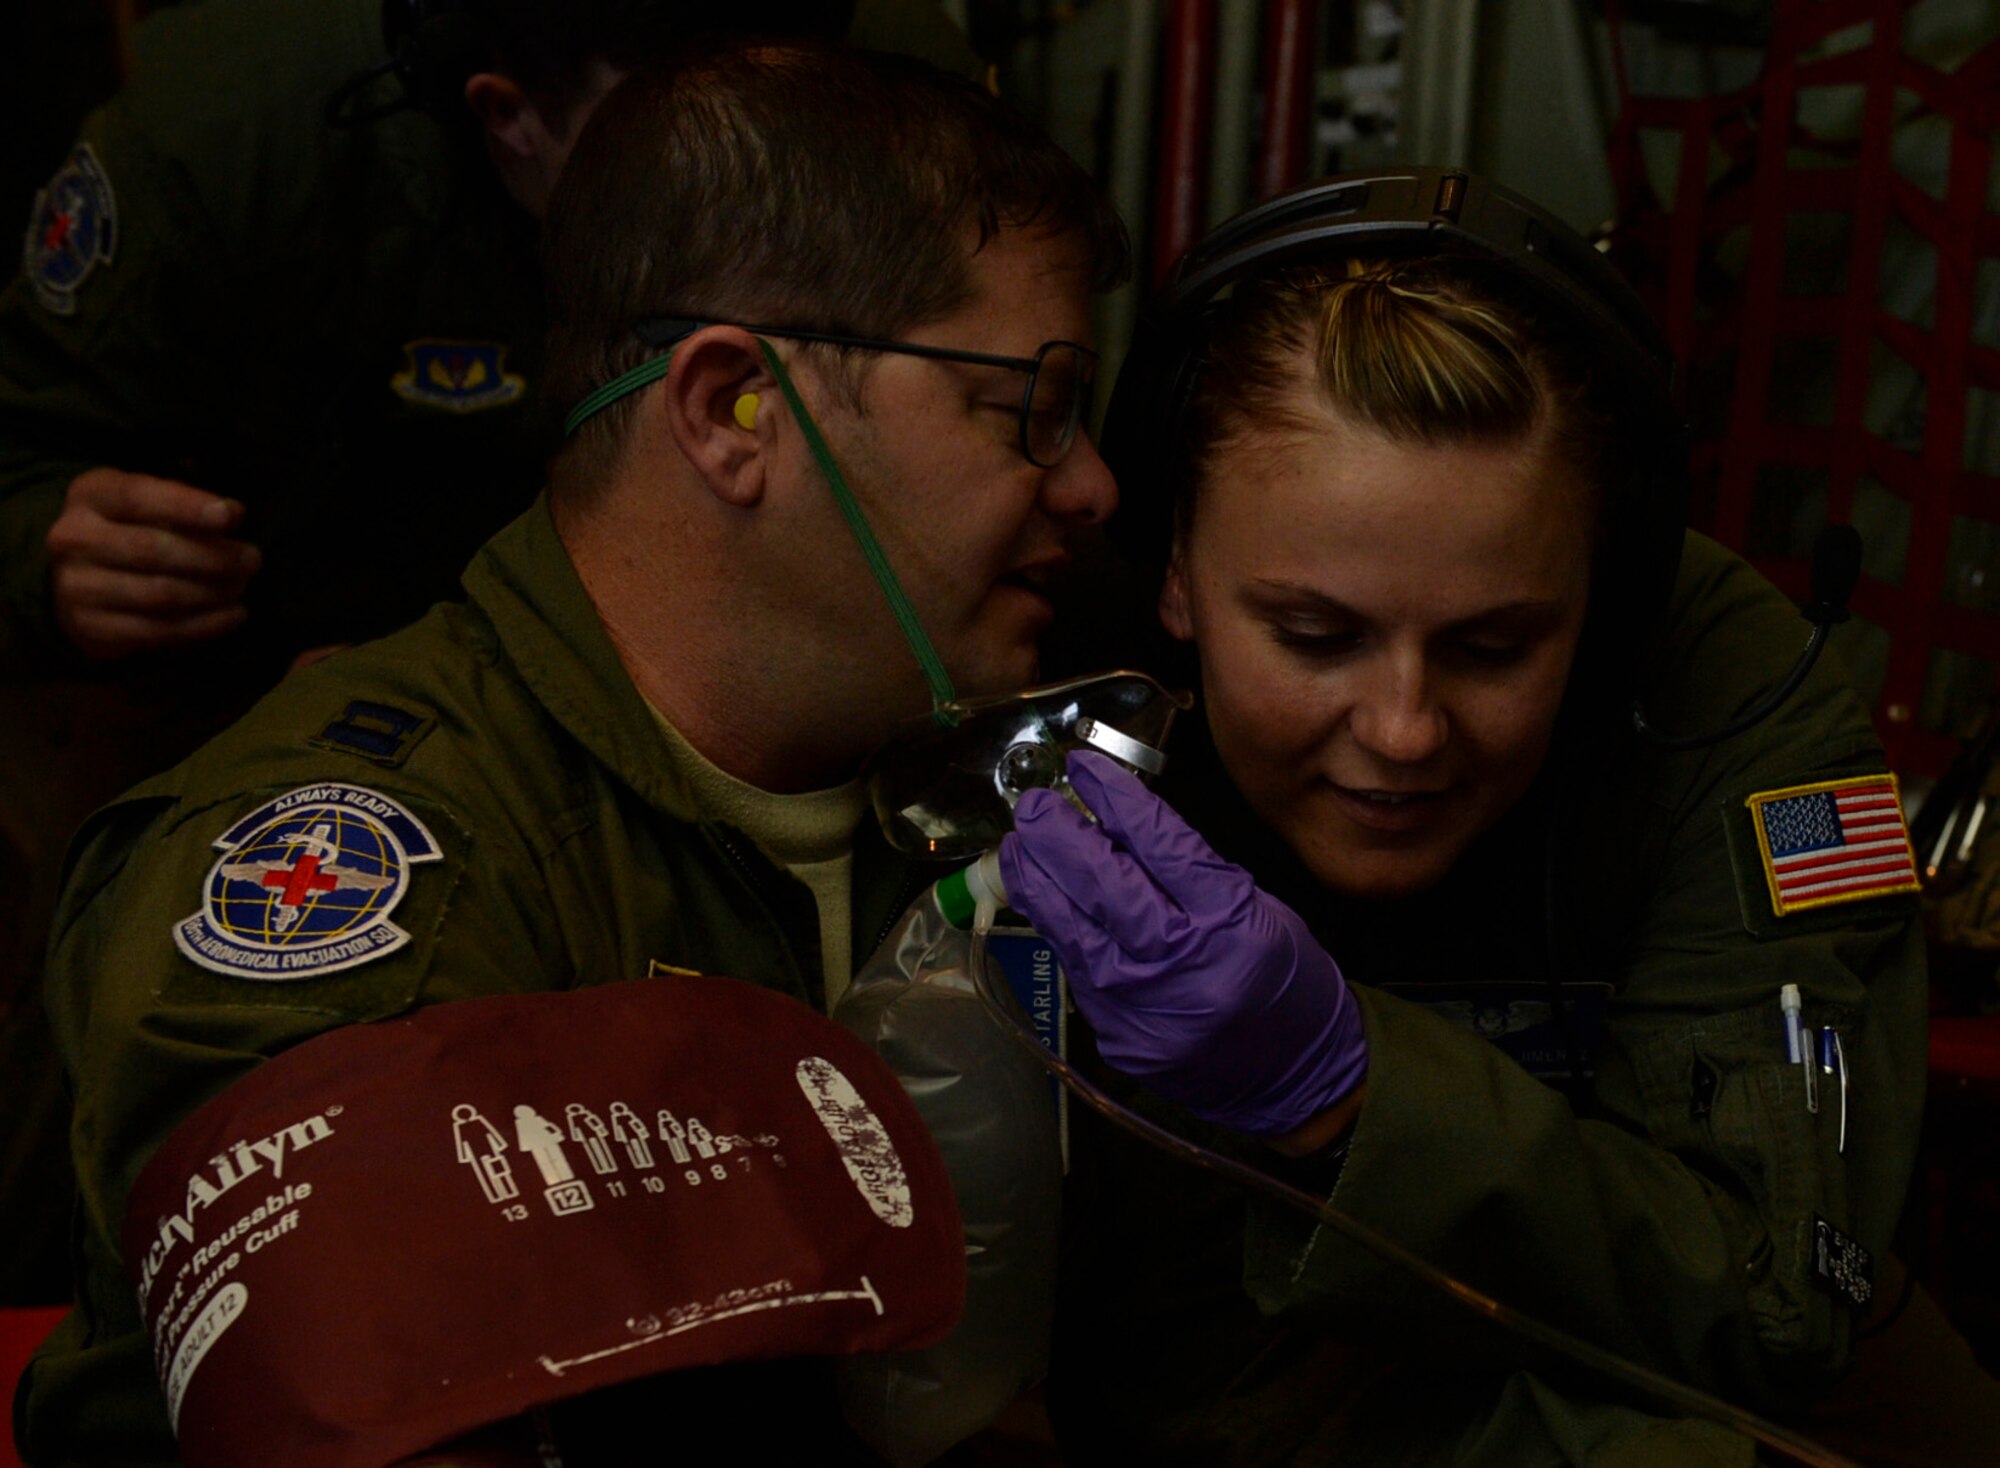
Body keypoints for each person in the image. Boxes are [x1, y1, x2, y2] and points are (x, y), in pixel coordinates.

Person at [15, 37, 1124, 1464]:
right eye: (1026, 405)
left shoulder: (972, 803)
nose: (1091, 483)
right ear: (738, 411)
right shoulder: (371, 875)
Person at [1001, 173, 1999, 1463]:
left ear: (1611, 595)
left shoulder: (1742, 694)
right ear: (1176, 574)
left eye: (1495, 646)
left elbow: (1790, 1292)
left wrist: (1356, 1097)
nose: (1406, 728)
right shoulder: (1051, 667)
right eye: (1315, 636)